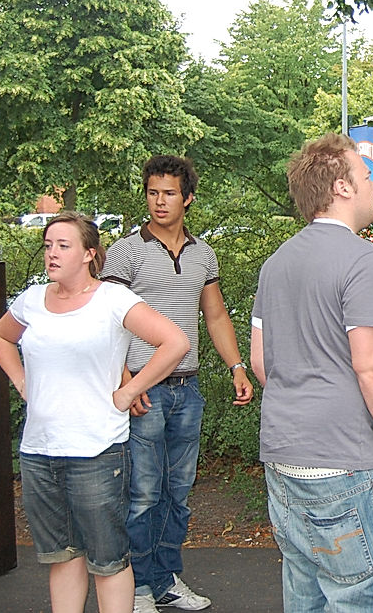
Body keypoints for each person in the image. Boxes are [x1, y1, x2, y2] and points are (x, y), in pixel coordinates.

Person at [250, 133, 373, 612]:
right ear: (342, 187)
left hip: (282, 457)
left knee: (305, 595)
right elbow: (371, 367)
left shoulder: (275, 264)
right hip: (342, 465)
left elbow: (261, 364)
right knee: (357, 600)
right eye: (366, 176)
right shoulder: (363, 260)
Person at [0, 212, 189, 613]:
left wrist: (129, 390)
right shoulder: (32, 300)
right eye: (48, 245)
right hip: (40, 452)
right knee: (62, 556)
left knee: (108, 559)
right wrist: (22, 382)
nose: (52, 253)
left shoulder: (113, 299)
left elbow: (175, 341)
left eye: (63, 246)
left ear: (89, 254)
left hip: (96, 452)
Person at [102, 155, 254, 613]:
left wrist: (237, 367)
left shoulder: (203, 253)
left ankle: (167, 580)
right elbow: (107, 321)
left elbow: (216, 315)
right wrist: (125, 379)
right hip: (144, 391)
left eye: (169, 193)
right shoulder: (126, 251)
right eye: (153, 192)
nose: (160, 201)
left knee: (179, 491)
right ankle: (140, 587)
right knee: (143, 493)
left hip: (187, 390)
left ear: (187, 198)